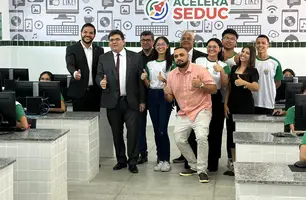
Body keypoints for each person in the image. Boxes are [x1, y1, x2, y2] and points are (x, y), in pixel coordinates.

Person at [95, 29, 145, 174]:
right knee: (116, 132)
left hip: (131, 102)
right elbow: (98, 75)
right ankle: (121, 160)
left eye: (117, 39)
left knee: (133, 132)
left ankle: (133, 161)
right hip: (112, 102)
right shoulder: (103, 58)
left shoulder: (135, 57)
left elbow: (140, 80)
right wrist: (100, 82)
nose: (114, 42)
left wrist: (142, 100)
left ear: (123, 41)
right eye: (111, 40)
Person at [164, 46, 216, 183]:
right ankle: (193, 165)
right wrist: (166, 93)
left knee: (201, 137)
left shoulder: (200, 70)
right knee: (179, 138)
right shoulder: (171, 75)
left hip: (202, 110)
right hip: (184, 112)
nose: (179, 58)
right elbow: (170, 99)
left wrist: (201, 85)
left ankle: (202, 170)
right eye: (176, 56)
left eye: (182, 55)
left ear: (188, 57)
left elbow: (214, 89)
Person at [172, 30, 207, 167]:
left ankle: (197, 161)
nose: (186, 40)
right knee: (183, 131)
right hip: (182, 100)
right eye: (183, 38)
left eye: (189, 38)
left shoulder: (201, 57)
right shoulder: (174, 57)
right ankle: (186, 156)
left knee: (198, 132)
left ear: (194, 41)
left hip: (200, 101)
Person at [224, 45, 259, 176]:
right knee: (231, 135)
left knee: (244, 135)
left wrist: (244, 83)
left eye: (247, 53)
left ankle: (244, 163)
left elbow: (256, 87)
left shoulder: (252, 71)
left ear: (251, 56)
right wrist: (225, 104)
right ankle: (234, 163)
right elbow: (228, 88)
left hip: (246, 107)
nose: (244, 54)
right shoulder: (234, 68)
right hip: (232, 106)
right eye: (243, 51)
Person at [196, 38, 230, 172]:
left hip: (215, 99)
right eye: (209, 46)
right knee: (199, 131)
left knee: (215, 131)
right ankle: (197, 162)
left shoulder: (223, 64)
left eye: (214, 47)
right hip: (199, 98)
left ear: (220, 49)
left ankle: (213, 162)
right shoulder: (199, 61)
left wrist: (221, 71)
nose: (211, 49)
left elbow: (225, 84)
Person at [141, 36, 173, 172]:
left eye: (163, 44)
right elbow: (149, 84)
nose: (160, 46)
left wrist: (164, 80)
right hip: (152, 96)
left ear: (167, 46)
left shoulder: (171, 63)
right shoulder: (150, 64)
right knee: (155, 129)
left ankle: (166, 159)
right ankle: (160, 159)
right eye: (158, 44)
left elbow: (174, 82)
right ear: (155, 46)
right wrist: (144, 79)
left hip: (165, 95)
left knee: (162, 128)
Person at [65, 23, 104, 112]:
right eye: (85, 32)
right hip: (78, 92)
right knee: (79, 122)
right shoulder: (71, 48)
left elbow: (100, 69)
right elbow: (70, 64)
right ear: (81, 33)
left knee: (94, 121)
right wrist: (74, 73)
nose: (88, 35)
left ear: (94, 35)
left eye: (91, 33)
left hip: (95, 93)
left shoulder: (99, 50)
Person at [253, 35, 283, 115]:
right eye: (258, 43)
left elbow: (278, 83)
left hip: (268, 102)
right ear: (255, 45)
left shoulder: (275, 62)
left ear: (268, 45)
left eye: (263, 43)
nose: (260, 45)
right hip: (252, 102)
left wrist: (267, 89)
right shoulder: (251, 61)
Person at [137, 31, 154, 164]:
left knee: (159, 128)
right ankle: (142, 153)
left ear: (152, 42)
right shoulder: (136, 57)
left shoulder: (160, 56)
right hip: (140, 98)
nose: (145, 42)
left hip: (156, 97)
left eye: (148, 40)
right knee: (140, 127)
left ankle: (162, 155)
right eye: (143, 40)